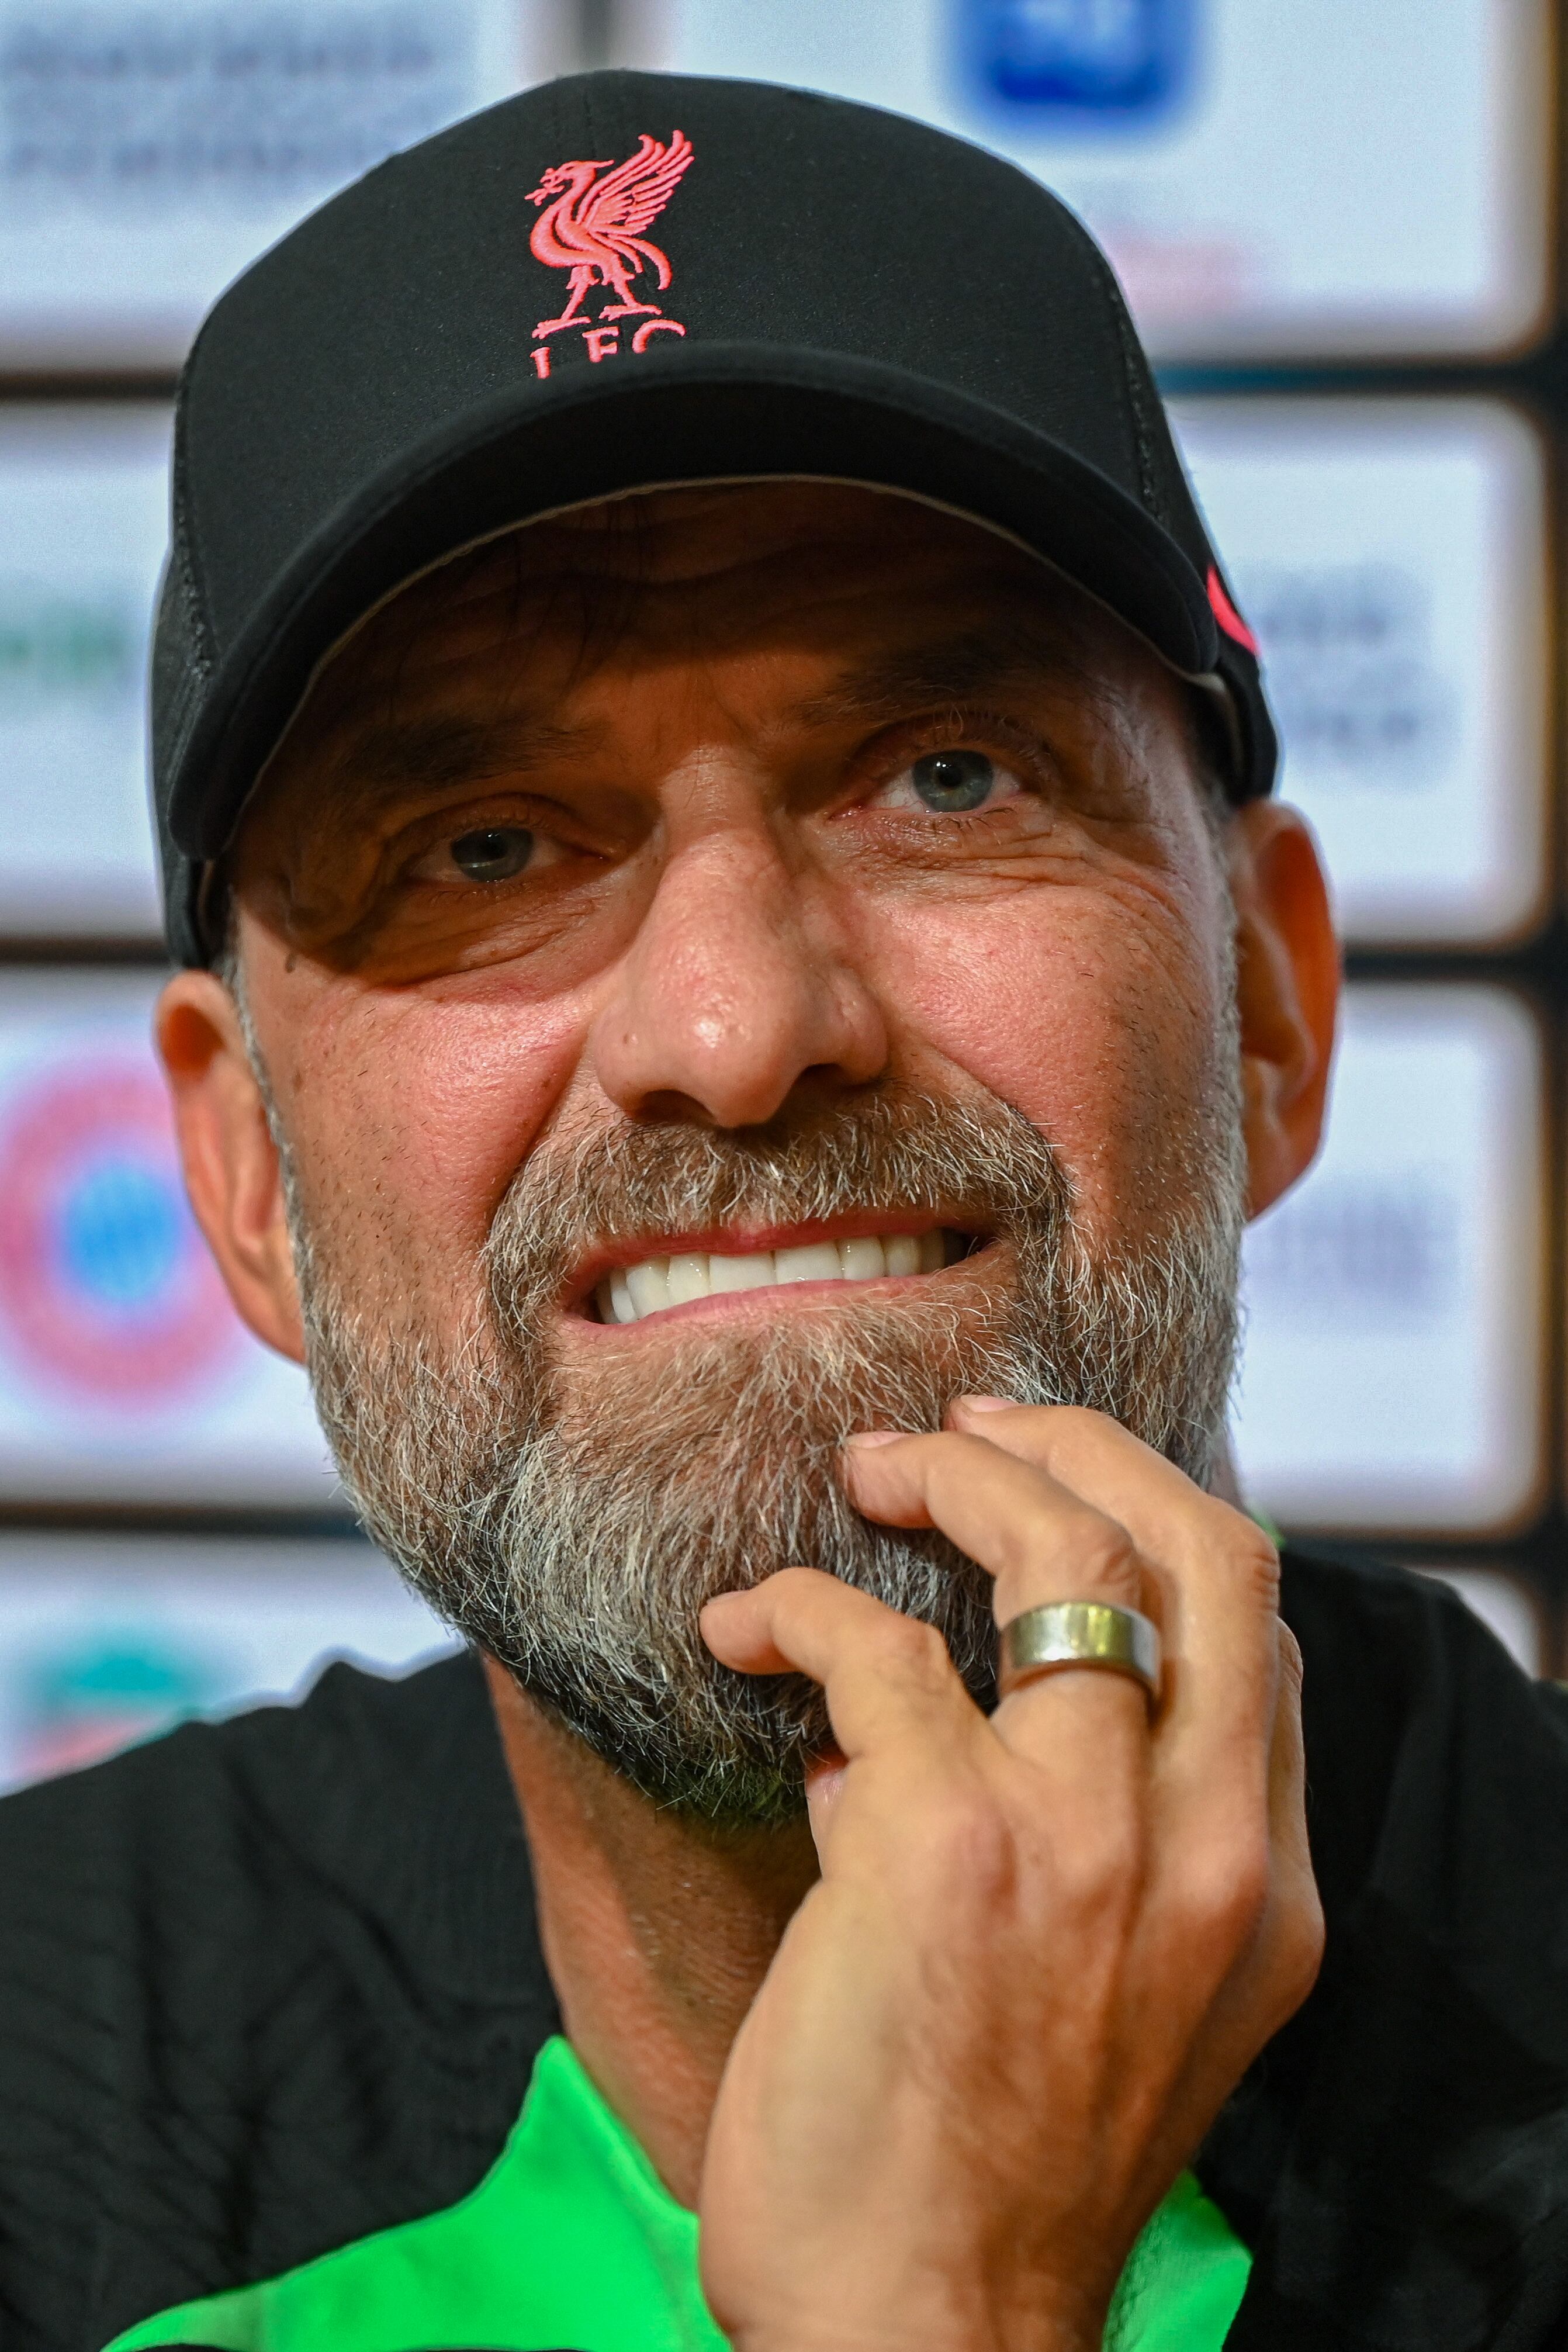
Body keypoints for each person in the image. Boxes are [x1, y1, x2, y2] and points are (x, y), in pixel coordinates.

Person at [3, 67, 1567, 2352]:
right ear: (239, 1177)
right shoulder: (51, 2112)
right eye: (481, 845)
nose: (734, 1029)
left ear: (1266, 1004)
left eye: (943, 774)